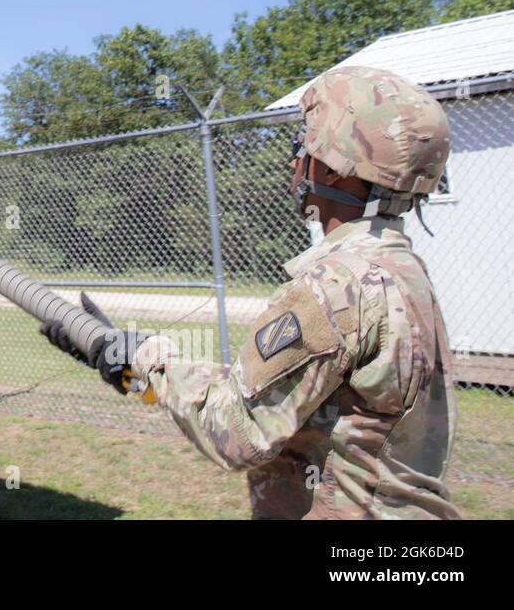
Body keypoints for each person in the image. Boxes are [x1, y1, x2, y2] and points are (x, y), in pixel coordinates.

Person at [43, 66, 460, 518]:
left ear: (339, 169)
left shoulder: (335, 285)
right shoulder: (399, 270)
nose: (294, 161)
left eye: (304, 145)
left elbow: (237, 432)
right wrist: (130, 371)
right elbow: (284, 397)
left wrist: (142, 355)